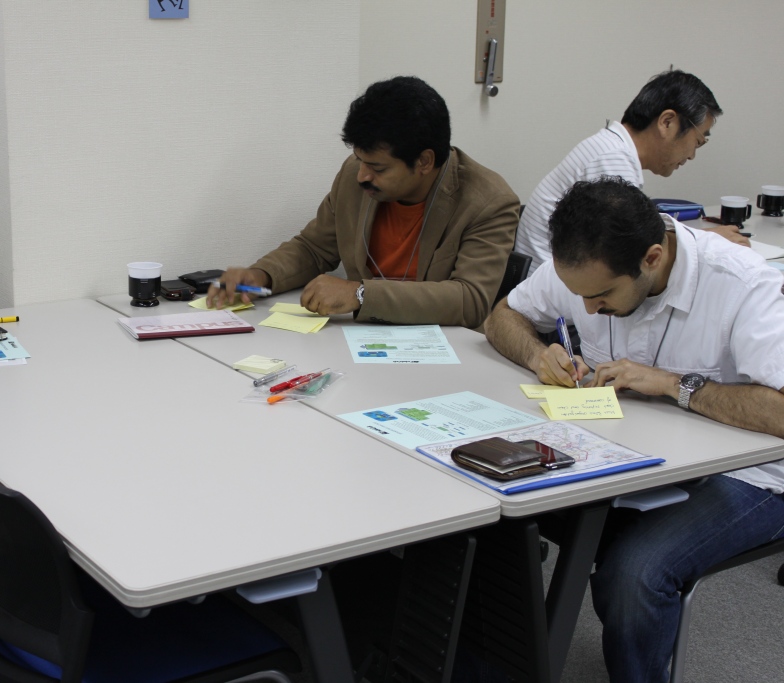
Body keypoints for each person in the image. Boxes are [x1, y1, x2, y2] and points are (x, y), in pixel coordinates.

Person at [484, 177, 784, 683]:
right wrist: (539, 355)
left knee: (634, 575)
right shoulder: (587, 263)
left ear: (651, 258)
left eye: (601, 297)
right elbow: (503, 317)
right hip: (629, 453)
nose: (587, 310)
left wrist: (674, 385)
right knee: (498, 517)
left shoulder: (742, 284)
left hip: (752, 477)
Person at [206, 76, 519, 327]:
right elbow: (314, 248)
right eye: (359, 160)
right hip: (358, 341)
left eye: (378, 167)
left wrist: (360, 294)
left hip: (439, 353)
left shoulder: (489, 202)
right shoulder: (355, 175)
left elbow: (470, 299)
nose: (362, 176)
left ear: (424, 161)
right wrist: (261, 275)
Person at [515, 70, 748, 276]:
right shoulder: (611, 159)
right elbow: (635, 249)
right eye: (698, 141)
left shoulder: (612, 148)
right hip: (555, 303)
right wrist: (708, 242)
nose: (692, 156)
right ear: (667, 122)